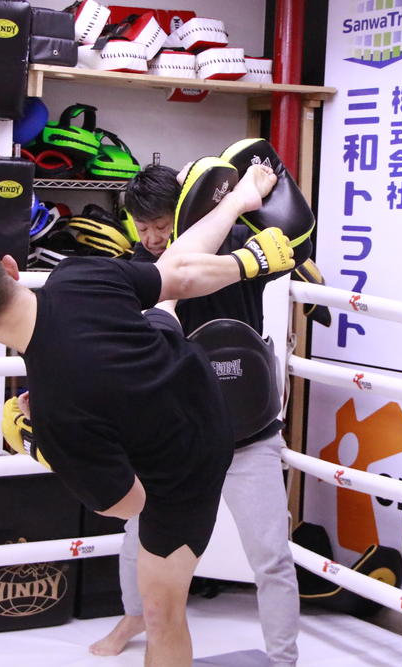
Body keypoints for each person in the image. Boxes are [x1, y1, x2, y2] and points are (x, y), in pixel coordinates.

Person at [0, 163, 289, 667]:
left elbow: (128, 503)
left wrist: (39, 446)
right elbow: (178, 273)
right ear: (9, 267)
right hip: (202, 393)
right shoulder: (80, 274)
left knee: (163, 617)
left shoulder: (57, 410)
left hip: (182, 477)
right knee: (164, 302)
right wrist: (249, 257)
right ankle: (239, 200)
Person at [87, 164, 301, 666]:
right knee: (138, 536)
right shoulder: (141, 270)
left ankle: (283, 659)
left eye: (162, 225)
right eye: (142, 227)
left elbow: (297, 244)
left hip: (249, 430)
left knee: (272, 555)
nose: (152, 238)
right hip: (177, 437)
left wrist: (245, 177)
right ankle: (135, 617)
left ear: (182, 213)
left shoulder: (239, 246)